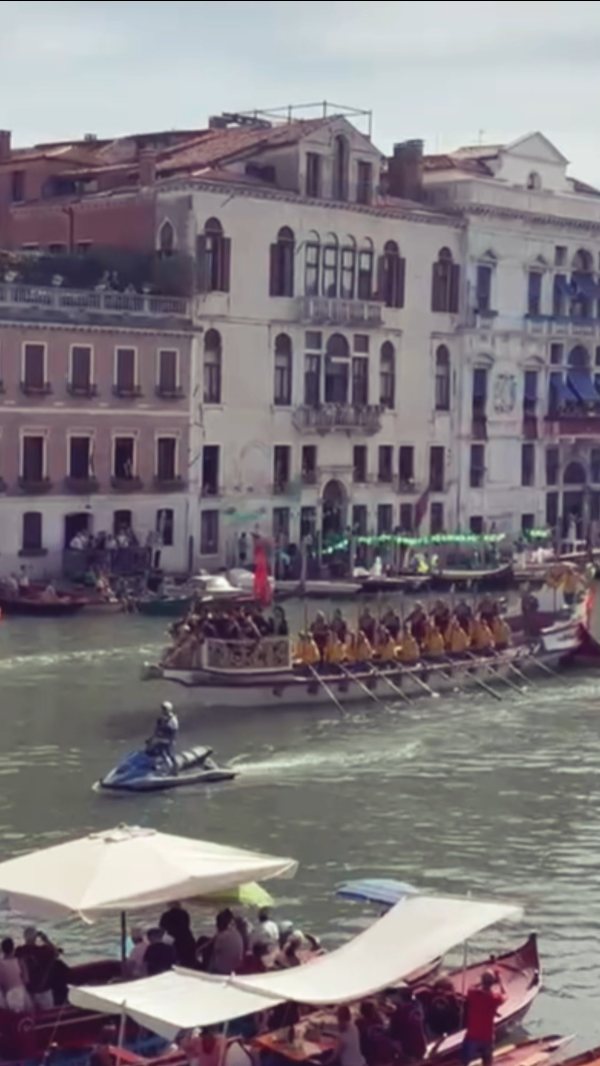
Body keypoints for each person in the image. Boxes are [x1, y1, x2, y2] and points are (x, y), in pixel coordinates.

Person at [461, 969, 506, 1066]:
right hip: (487, 1037)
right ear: (492, 983)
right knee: (487, 1063)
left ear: (482, 981)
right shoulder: (494, 998)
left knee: (464, 1062)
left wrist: (481, 982)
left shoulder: (472, 994)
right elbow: (505, 995)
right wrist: (500, 981)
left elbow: (471, 987)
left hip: (472, 1036)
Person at [16, 927, 57, 1011]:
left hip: (28, 991)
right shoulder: (43, 951)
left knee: (31, 1015)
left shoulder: (19, 951)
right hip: (43, 990)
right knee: (49, 1013)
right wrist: (45, 939)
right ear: (35, 938)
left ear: (24, 937)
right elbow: (55, 952)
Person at [389, 987, 427, 1062]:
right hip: (420, 1042)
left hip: (409, 1046)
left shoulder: (399, 1012)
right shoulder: (417, 1005)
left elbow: (394, 1033)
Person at [160, 902, 196, 968]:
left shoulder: (166, 915)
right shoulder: (184, 913)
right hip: (187, 938)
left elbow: (162, 927)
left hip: (173, 939)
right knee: (189, 960)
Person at [208, 909, 244, 975]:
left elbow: (211, 949)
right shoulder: (237, 933)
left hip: (220, 970)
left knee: (209, 952)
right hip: (234, 968)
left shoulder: (221, 937)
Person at [0, 937, 30, 1012]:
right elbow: (26, 980)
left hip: (5, 994)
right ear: (13, 949)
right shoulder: (20, 961)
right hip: (19, 993)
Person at [148, 701, 179, 768]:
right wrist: (152, 738)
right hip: (162, 739)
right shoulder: (161, 718)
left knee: (168, 753)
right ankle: (157, 765)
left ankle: (173, 767)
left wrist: (172, 741)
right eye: (163, 709)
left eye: (164, 709)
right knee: (157, 751)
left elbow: (174, 731)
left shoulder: (173, 719)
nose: (163, 710)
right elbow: (157, 729)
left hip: (168, 740)